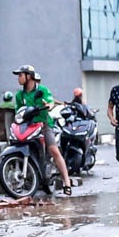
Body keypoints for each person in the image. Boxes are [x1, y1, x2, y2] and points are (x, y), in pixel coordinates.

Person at [12, 65, 72, 194]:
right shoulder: (19, 95)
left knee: (53, 150)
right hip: (27, 126)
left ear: (29, 76)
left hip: (43, 124)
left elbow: (50, 102)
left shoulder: (43, 90)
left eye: (20, 75)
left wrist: (48, 105)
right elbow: (18, 111)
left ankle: (67, 182)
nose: (18, 78)